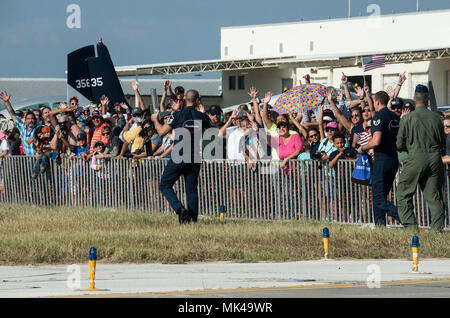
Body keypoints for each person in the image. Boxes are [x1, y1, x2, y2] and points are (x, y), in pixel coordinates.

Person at [151, 89, 212, 224]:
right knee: (191, 189)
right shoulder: (202, 117)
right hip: (194, 156)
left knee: (165, 184)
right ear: (197, 100)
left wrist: (155, 120)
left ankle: (179, 209)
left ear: (184, 99)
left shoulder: (177, 115)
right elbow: (212, 132)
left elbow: (161, 132)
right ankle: (193, 220)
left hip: (179, 155)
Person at [396, 85, 446, 232]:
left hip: (415, 158)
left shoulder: (407, 119)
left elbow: (399, 144)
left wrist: (409, 149)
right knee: (434, 196)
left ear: (414, 99)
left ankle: (411, 229)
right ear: (427, 100)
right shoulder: (437, 118)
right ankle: (436, 231)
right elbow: (442, 141)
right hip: (435, 158)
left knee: (403, 193)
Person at [357, 91, 401, 226]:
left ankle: (405, 218)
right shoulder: (395, 117)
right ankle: (380, 226)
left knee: (377, 198)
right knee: (380, 196)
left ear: (376, 102)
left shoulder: (378, 117)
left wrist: (363, 148)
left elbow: (376, 141)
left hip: (382, 159)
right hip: (393, 159)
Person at [1, 91, 42, 156]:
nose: (31, 120)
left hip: (37, 157)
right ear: (25, 120)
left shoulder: (39, 127)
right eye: (28, 119)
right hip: (27, 158)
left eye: (32, 119)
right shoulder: (22, 126)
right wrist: (6, 102)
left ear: (35, 120)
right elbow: (12, 113)